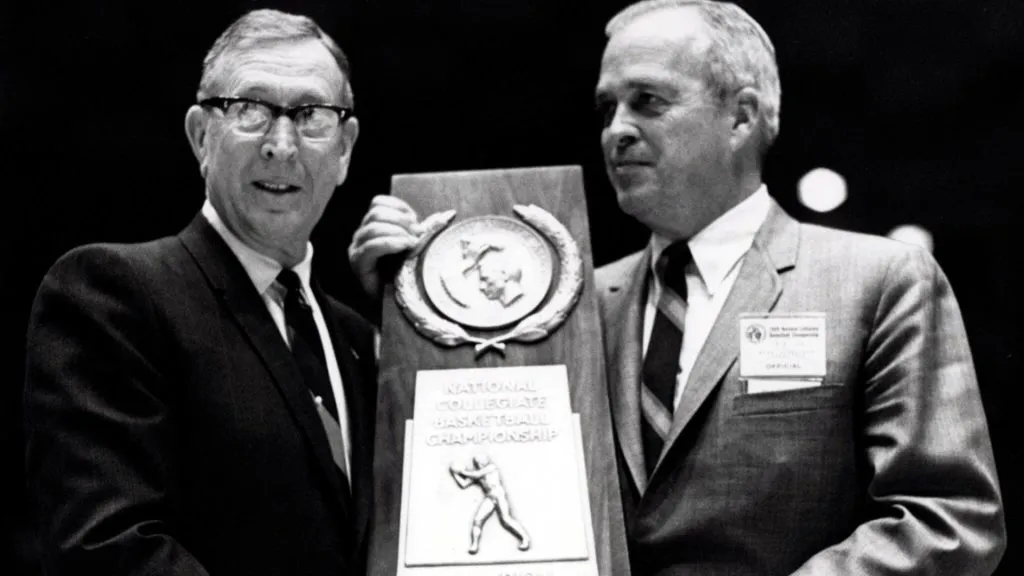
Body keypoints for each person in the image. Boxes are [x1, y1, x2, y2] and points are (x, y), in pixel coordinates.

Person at [347, 1, 1006, 574]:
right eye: (607, 108)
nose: (616, 129)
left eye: (648, 102)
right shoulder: (568, 302)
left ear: (741, 117)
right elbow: (477, 466)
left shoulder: (879, 280)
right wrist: (409, 319)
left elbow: (948, 518)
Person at [23, 9, 375, 575]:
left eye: (311, 115)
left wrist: (412, 308)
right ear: (201, 136)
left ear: (345, 149)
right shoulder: (114, 295)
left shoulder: (359, 341)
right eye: (251, 109)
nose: (282, 145)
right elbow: (107, 547)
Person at [449, 454, 531, 554]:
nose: (478, 463)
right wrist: (454, 473)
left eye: (480, 461)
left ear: (485, 461)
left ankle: (525, 538)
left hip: (499, 495)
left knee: (506, 519)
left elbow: (476, 475)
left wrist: (461, 471)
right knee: (477, 520)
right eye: (477, 462)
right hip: (490, 497)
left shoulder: (491, 468)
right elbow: (463, 484)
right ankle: (474, 545)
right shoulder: (478, 473)